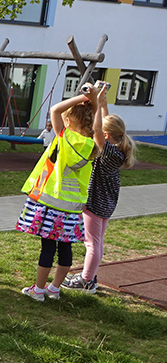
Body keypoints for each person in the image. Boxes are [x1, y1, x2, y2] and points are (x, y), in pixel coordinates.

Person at [17, 83, 100, 302]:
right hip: (72, 207)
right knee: (65, 248)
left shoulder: (63, 137)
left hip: (50, 202)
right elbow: (100, 127)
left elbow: (55, 109)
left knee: (47, 248)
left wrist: (81, 97)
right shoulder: (93, 145)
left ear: (69, 120)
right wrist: (96, 102)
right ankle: (54, 288)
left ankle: (38, 290)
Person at [63, 87, 136, 293]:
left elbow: (96, 130)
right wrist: (102, 104)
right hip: (107, 203)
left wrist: (96, 103)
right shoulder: (118, 148)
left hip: (96, 203)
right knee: (97, 241)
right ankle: (89, 276)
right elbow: (102, 127)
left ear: (105, 135)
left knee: (91, 243)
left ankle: (86, 280)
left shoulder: (108, 151)